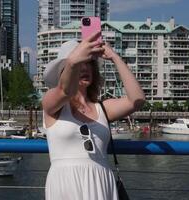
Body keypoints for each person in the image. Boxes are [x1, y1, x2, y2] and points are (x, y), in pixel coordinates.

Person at [42, 31, 145, 200]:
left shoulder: (102, 108)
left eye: (89, 63)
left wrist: (115, 57)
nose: (85, 67)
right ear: (63, 72)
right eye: (80, 64)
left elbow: (137, 99)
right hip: (66, 183)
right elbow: (64, 91)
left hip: (101, 181)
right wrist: (74, 60)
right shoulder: (52, 104)